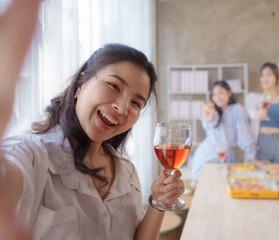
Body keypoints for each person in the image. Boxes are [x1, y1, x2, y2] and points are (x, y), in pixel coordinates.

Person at [0, 10, 184, 239]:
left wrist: (158, 201)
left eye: (136, 103)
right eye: (114, 86)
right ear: (81, 84)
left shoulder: (126, 173)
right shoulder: (31, 155)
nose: (122, 108)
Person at [191, 80, 257, 182]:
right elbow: (209, 121)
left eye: (220, 93)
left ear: (229, 93)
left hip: (226, 156)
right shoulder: (211, 111)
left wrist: (252, 156)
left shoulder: (237, 109)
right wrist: (209, 118)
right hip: (207, 155)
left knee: (225, 185)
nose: (218, 97)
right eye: (214, 95)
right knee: (205, 186)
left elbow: (244, 135)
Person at [245, 62, 279, 164]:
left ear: (276, 77)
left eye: (268, 75)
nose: (264, 79)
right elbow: (251, 113)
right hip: (261, 145)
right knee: (260, 178)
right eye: (262, 75)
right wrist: (257, 114)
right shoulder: (253, 97)